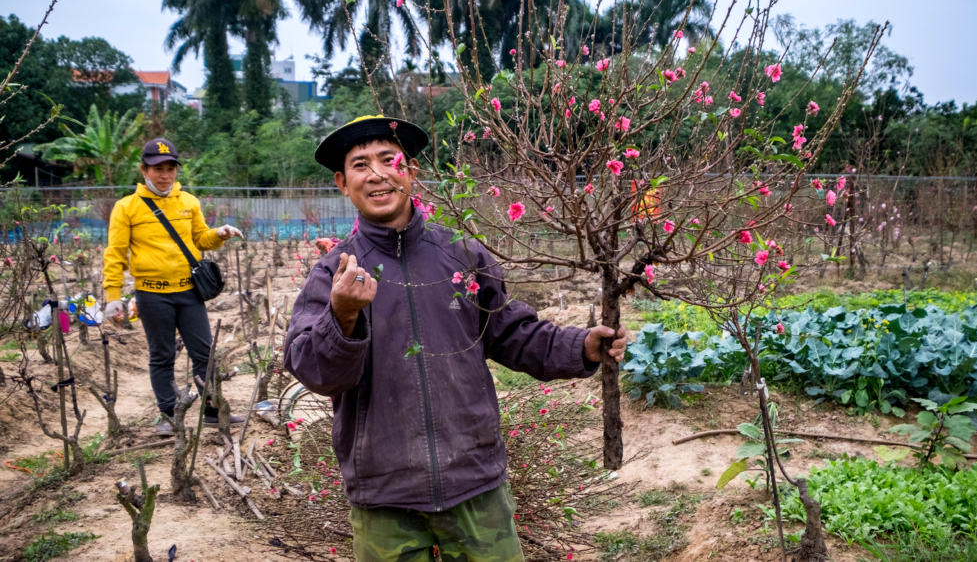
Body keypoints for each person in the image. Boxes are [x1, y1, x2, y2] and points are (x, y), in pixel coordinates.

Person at [284, 115, 627, 562]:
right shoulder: (334, 273)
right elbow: (313, 370)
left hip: (474, 480)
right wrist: (342, 314)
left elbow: (511, 333)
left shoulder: (462, 254)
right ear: (342, 183)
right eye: (360, 165)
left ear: (411, 172)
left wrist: (580, 346)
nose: (377, 174)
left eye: (390, 160)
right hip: (383, 492)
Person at [103, 138, 245, 436]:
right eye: (157, 168)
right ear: (144, 170)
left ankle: (211, 409)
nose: (165, 174)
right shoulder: (126, 207)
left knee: (204, 353)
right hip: (152, 293)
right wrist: (113, 296)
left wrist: (219, 233)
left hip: (188, 291)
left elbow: (200, 240)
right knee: (162, 355)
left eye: (170, 168)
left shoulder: (189, 202)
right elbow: (115, 253)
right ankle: (168, 415)